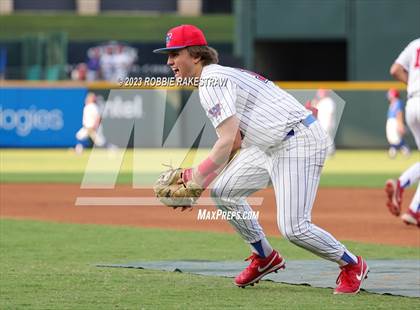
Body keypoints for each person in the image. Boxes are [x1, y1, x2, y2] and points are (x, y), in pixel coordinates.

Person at [153, 24, 369, 294]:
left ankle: (351, 264)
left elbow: (229, 140)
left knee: (294, 228)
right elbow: (237, 142)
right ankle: (265, 256)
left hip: (298, 142)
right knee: (224, 192)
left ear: (196, 55)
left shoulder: (211, 81)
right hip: (268, 145)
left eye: (175, 54)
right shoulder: (214, 78)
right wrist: (200, 181)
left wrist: (193, 177)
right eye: (169, 55)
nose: (169, 61)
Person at [385, 38, 420, 227]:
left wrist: (412, 85)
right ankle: (411, 202)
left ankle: (413, 209)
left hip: (412, 103)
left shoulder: (415, 44)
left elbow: (395, 70)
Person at [385, 88, 410, 158]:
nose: (389, 97)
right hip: (391, 121)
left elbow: (399, 114)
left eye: (390, 95)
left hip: (395, 121)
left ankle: (404, 149)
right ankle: (394, 149)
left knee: (395, 138)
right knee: (391, 138)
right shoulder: (392, 103)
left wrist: (400, 124)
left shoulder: (398, 102)